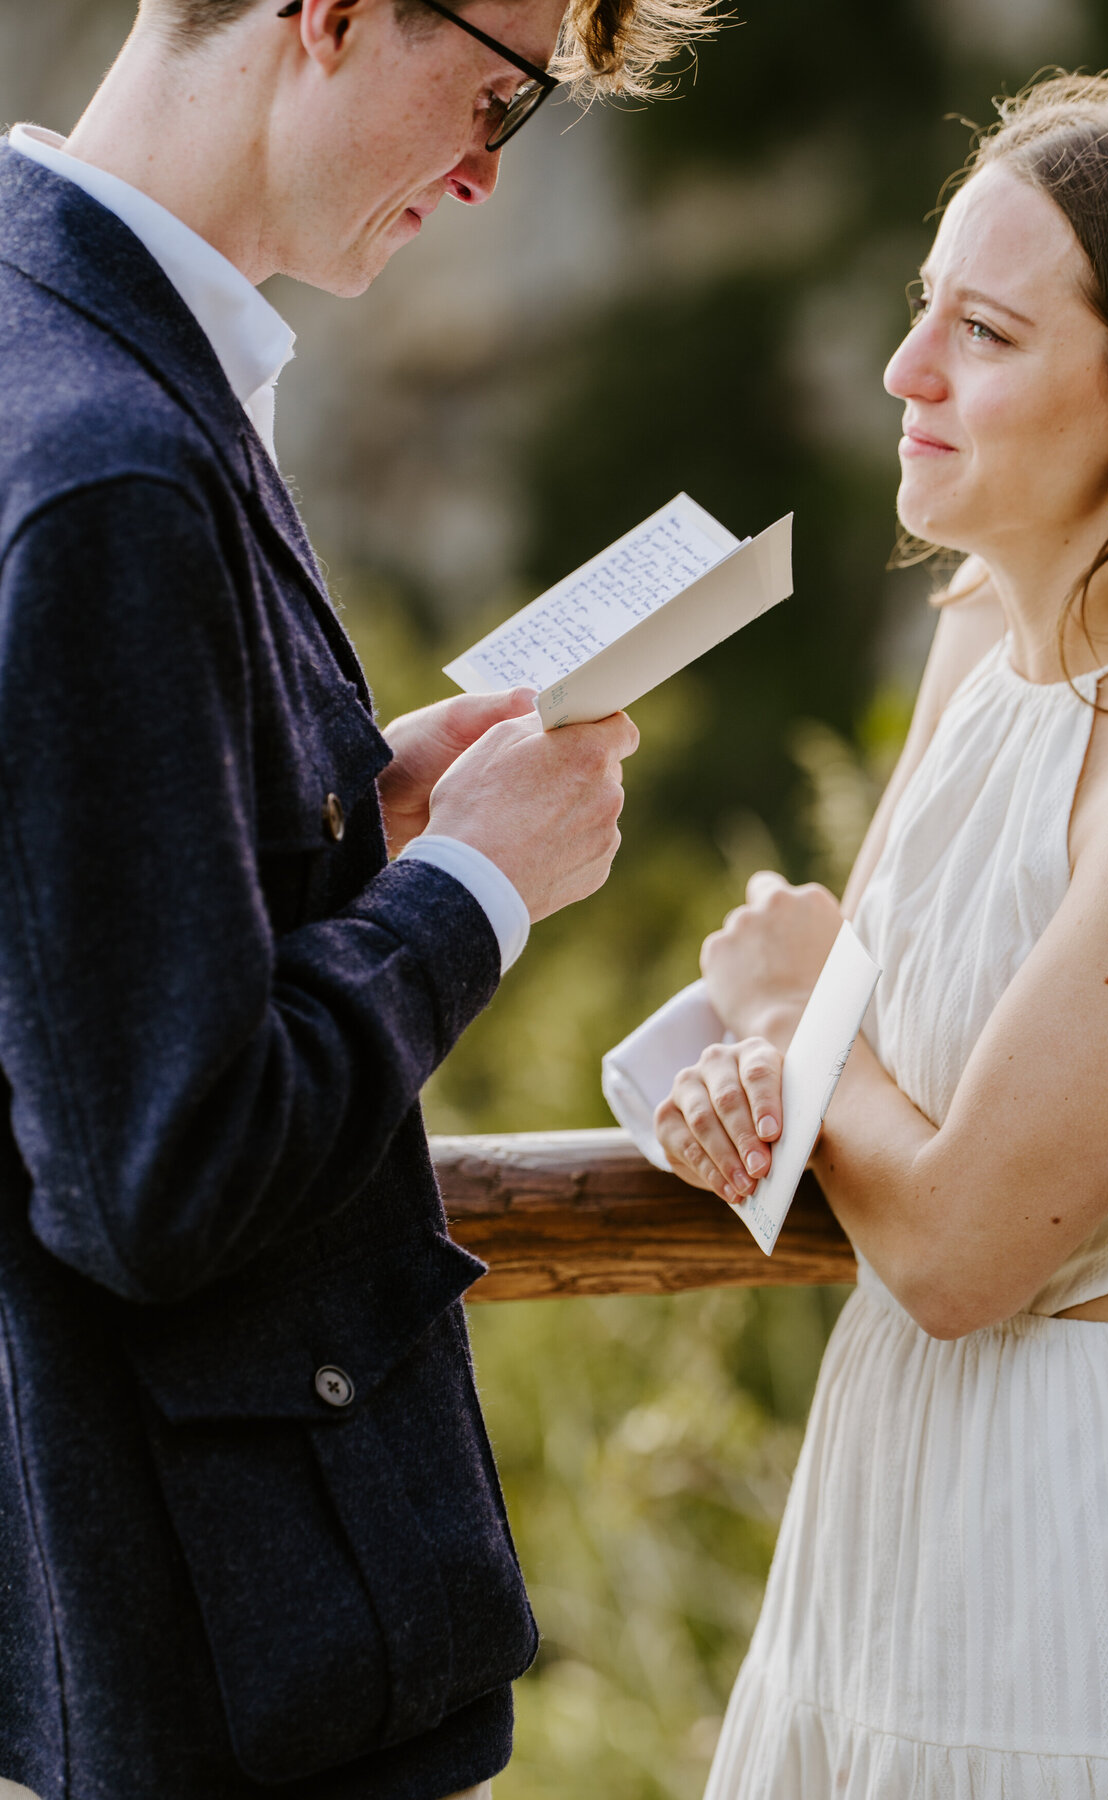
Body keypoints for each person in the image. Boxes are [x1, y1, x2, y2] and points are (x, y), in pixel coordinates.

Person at [0, 0, 720, 1795]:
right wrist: (481, 882)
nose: (485, 171)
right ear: (322, 13)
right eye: (498, 92)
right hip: (226, 1655)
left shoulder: (53, 339)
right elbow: (160, 1175)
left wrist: (355, 810)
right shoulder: (109, 464)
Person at [654, 64, 1108, 1798]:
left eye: (984, 332)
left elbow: (965, 1248)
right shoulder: (977, 637)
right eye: (920, 313)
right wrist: (741, 1077)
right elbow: (859, 1058)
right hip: (883, 1509)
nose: (907, 375)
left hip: (1081, 1537)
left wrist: (804, 1005)